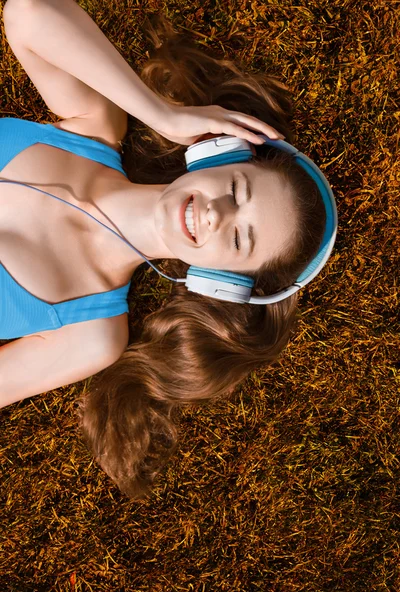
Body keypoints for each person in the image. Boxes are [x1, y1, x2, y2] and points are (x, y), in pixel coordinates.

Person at [0, 0, 334, 498]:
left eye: (240, 240)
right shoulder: (94, 125)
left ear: (221, 280)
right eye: (238, 188)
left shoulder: (90, 334)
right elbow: (28, 12)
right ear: (216, 154)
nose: (218, 213)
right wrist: (161, 113)